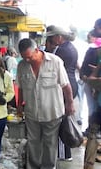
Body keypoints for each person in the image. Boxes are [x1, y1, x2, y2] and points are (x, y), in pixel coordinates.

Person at [16, 38, 74, 169]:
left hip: (52, 113)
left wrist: (70, 104)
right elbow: (20, 88)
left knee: (50, 144)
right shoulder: (21, 66)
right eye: (24, 57)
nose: (27, 60)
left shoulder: (55, 62)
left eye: (29, 57)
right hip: (32, 113)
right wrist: (19, 106)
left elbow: (66, 85)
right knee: (33, 143)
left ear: (37, 50)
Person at [45, 25, 79, 162]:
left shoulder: (61, 51)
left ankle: (64, 153)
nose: (53, 42)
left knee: (61, 121)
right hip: (72, 84)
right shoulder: (72, 48)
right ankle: (66, 151)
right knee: (64, 119)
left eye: (53, 38)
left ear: (59, 37)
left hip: (65, 86)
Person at [82, 18, 101, 169]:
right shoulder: (95, 51)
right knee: (93, 133)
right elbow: (89, 76)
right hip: (98, 104)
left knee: (93, 133)